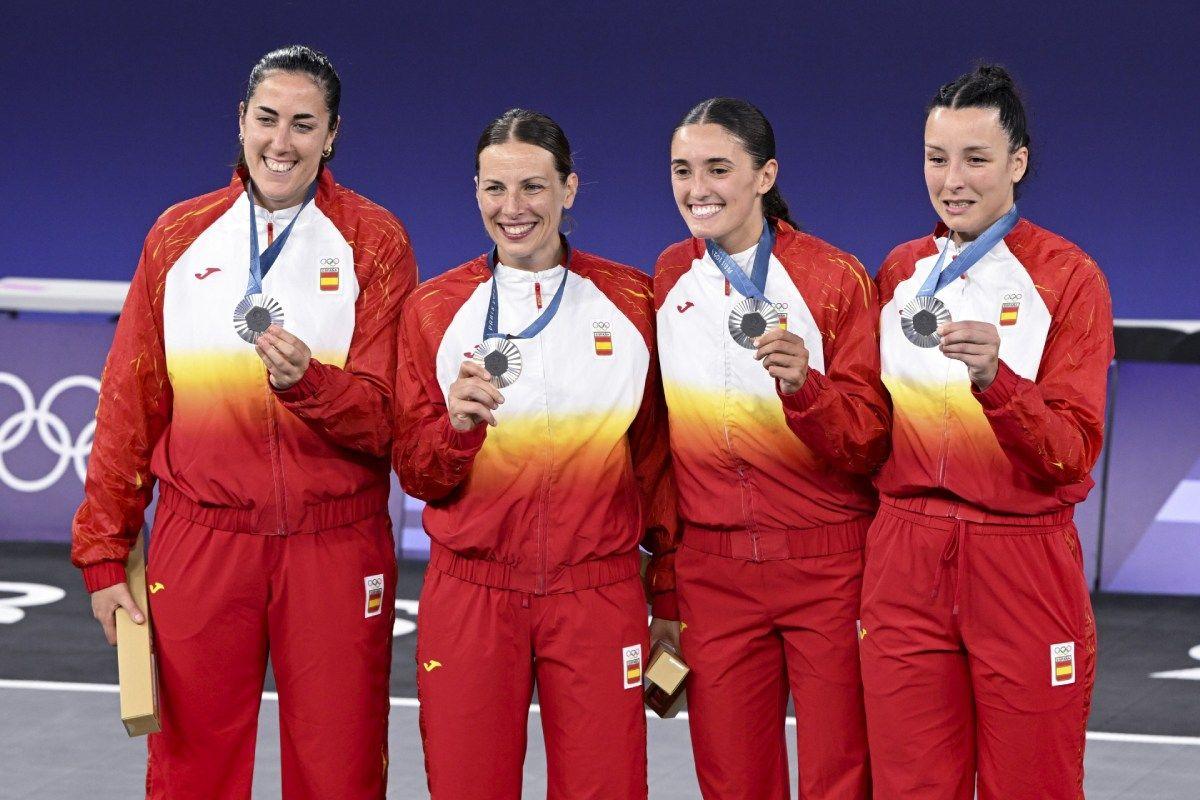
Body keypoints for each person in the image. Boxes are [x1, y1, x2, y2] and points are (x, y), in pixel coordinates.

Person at [70, 44, 417, 799]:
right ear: (240, 120)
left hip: (335, 540)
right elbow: (130, 402)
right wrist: (104, 552)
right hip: (203, 538)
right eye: (266, 119)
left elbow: (391, 418)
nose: (280, 143)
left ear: (331, 136)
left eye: (302, 124)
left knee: (341, 770)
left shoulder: (374, 241)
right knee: (191, 769)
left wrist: (311, 386)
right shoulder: (177, 236)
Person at [393, 108, 676, 800]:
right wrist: (456, 430)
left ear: (570, 189)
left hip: (597, 592)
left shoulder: (633, 301)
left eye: (533, 187)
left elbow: (657, 464)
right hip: (472, 591)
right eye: (495, 189)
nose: (512, 208)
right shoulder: (433, 309)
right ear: (476, 191)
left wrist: (668, 589)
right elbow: (417, 472)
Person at [860, 64, 1115, 799]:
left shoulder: (1068, 278)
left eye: (975, 158)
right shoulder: (900, 271)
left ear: (1018, 163)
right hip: (905, 552)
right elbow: (870, 430)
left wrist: (997, 384)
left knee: (1032, 784)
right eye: (937, 158)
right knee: (910, 787)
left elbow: (1070, 455)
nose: (952, 179)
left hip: (1021, 558)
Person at [653, 97, 889, 800]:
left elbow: (870, 440)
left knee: (839, 776)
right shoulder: (667, 277)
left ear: (765, 175)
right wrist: (666, 576)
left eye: (719, 168)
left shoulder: (832, 278)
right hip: (713, 572)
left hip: (828, 565)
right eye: (683, 170)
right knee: (731, 780)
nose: (698, 189)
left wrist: (806, 391)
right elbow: (658, 444)